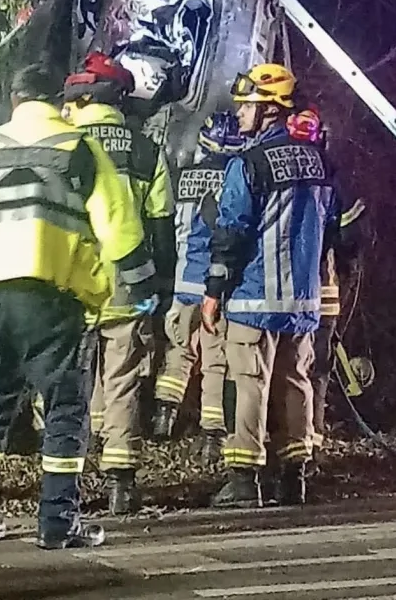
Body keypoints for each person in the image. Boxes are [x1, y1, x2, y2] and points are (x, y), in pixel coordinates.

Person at [0, 63, 152, 548]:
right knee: (64, 410)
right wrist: (142, 287)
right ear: (59, 102)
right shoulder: (79, 149)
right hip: (55, 295)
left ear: (15, 101)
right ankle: (58, 523)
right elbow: (119, 225)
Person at [201, 63, 339, 508]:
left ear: (270, 110)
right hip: (301, 301)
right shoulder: (319, 160)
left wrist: (214, 290)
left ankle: (244, 481)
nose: (241, 114)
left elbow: (232, 230)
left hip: (253, 297)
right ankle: (294, 479)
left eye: (248, 106)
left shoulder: (249, 163)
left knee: (248, 384)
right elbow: (334, 225)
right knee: (296, 383)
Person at [64, 52, 175, 515]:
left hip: (72, 277)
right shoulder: (146, 149)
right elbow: (162, 223)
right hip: (129, 282)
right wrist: (160, 284)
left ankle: (68, 476)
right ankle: (121, 482)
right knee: (123, 376)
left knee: (71, 378)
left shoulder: (62, 143)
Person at [152, 112, 246, 465]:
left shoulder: (184, 176)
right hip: (213, 286)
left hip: (182, 281)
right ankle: (212, 432)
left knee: (179, 351)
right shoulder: (235, 176)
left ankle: (163, 417)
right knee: (215, 361)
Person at [284, 106, 366, 456]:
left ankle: (289, 449)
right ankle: (309, 447)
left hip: (285, 292)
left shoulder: (277, 176)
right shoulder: (330, 183)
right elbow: (349, 240)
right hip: (323, 291)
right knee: (314, 373)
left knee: (287, 372)